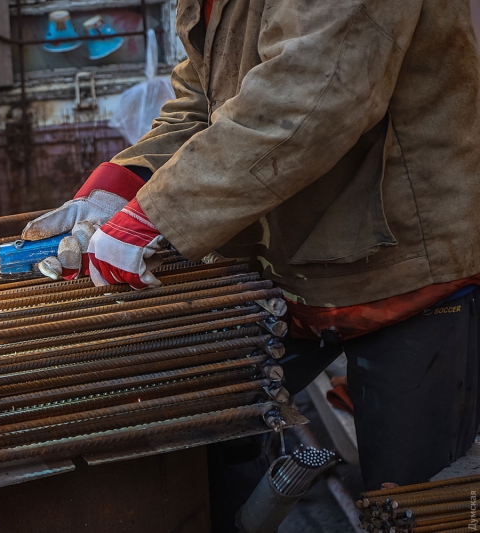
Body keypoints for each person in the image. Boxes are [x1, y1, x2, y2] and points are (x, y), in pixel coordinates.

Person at [24, 0, 480, 505]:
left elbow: (310, 97)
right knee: (209, 444)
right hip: (290, 263)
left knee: (408, 501)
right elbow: (205, 100)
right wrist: (124, 183)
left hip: (410, 268)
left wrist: (159, 213)